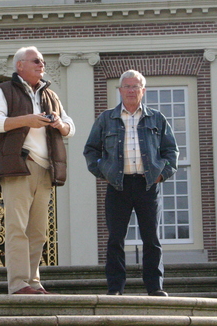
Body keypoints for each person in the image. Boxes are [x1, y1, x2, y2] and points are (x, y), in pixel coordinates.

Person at [0, 46, 75, 295]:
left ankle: (33, 282)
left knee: (38, 232)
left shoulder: (51, 95)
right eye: (36, 61)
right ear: (20, 66)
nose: (41, 64)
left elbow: (71, 126)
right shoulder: (4, 91)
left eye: (43, 61)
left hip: (46, 169)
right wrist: (27, 119)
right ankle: (18, 284)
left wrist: (60, 123)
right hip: (18, 166)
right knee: (17, 228)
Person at [83, 69, 178, 296]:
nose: (131, 91)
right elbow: (90, 150)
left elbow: (171, 152)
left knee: (151, 238)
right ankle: (115, 288)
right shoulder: (106, 118)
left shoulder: (157, 118)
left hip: (148, 186)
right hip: (118, 186)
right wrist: (103, 172)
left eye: (136, 86)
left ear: (143, 91)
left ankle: (155, 287)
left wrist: (161, 175)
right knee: (115, 238)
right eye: (127, 86)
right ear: (120, 90)